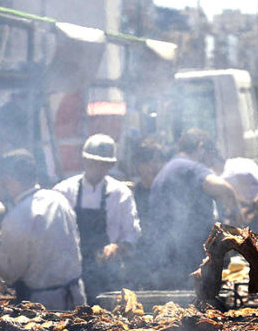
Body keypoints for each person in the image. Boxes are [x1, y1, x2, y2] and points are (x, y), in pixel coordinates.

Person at [147, 128, 243, 289]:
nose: (211, 162)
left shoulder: (171, 168)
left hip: (168, 259)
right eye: (211, 155)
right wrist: (237, 215)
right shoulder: (188, 167)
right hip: (185, 259)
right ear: (201, 146)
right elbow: (224, 189)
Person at [53, 134, 141, 303]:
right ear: (84, 161)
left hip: (107, 273)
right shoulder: (63, 191)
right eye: (92, 162)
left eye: (103, 164)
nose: (96, 168)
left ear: (110, 165)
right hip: (72, 271)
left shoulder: (121, 193)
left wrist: (117, 247)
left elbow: (132, 233)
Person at [0, 149, 86, 310]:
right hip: (76, 296)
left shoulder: (16, 217)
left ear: (10, 180)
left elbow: (10, 273)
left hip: (44, 304)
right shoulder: (59, 199)